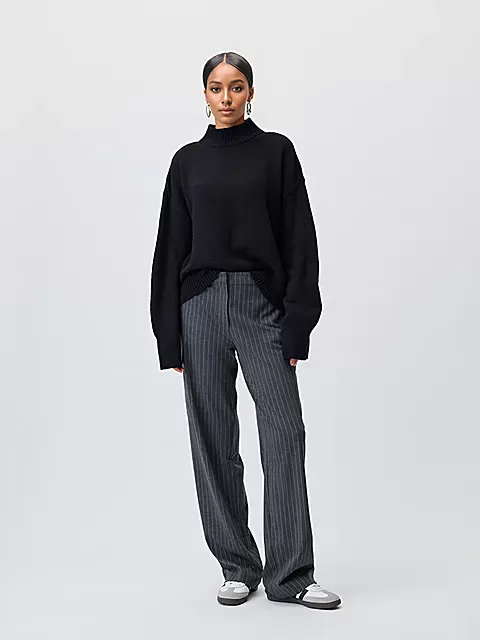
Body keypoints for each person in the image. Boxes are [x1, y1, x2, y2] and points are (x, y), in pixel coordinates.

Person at [150, 51, 341, 610]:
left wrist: (298, 321)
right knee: (212, 438)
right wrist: (168, 333)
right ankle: (236, 565)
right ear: (204, 95)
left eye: (236, 87)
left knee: (284, 433)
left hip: (263, 306)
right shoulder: (187, 162)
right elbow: (170, 248)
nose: (226, 97)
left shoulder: (276, 152)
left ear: (251, 92)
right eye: (216, 88)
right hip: (200, 306)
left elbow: (300, 239)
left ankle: (291, 575)